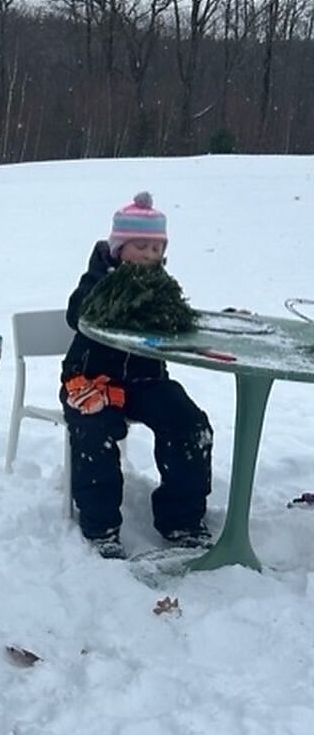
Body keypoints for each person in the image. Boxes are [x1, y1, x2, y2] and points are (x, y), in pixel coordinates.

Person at [60, 192, 213, 559]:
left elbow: (178, 326)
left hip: (147, 381)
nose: (149, 256)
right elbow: (76, 313)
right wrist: (110, 289)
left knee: (189, 423)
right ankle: (100, 525)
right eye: (140, 246)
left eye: (156, 249)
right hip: (93, 380)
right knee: (95, 430)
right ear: (119, 248)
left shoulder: (161, 288)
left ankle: (183, 519)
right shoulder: (98, 279)